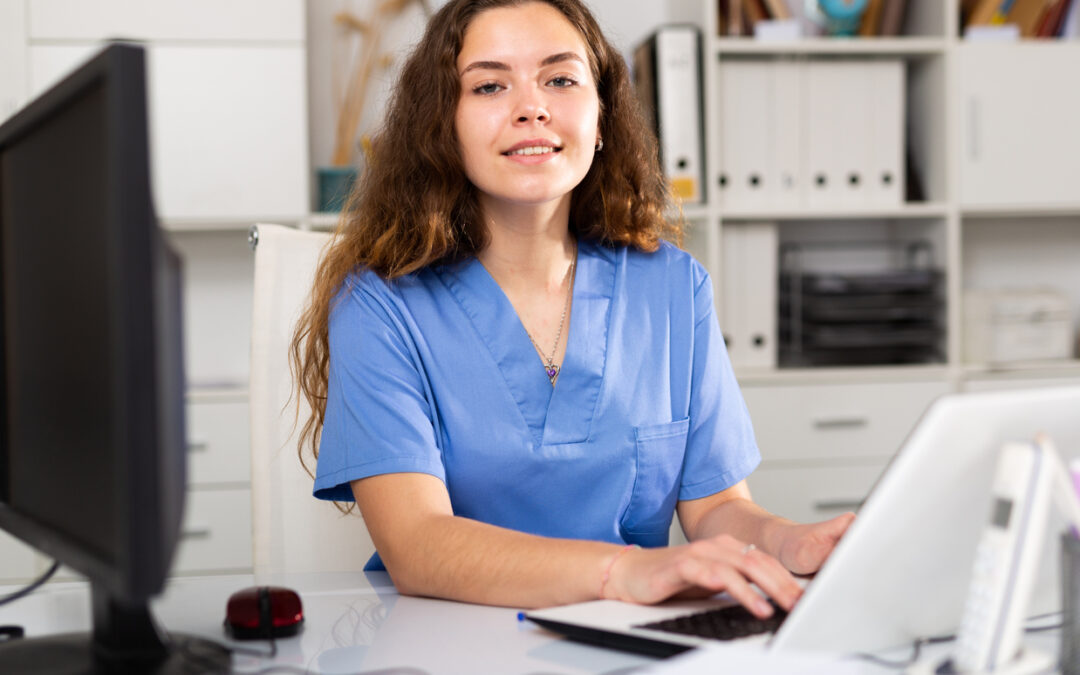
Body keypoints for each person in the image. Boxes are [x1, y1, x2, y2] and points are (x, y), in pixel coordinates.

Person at [292, 0, 855, 617]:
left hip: (631, 639)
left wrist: (786, 542)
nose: (532, 107)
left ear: (602, 115)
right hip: (442, 642)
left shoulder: (674, 287)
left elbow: (716, 508)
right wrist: (625, 571)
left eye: (561, 79)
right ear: (442, 124)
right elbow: (418, 546)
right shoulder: (380, 305)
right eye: (489, 85)